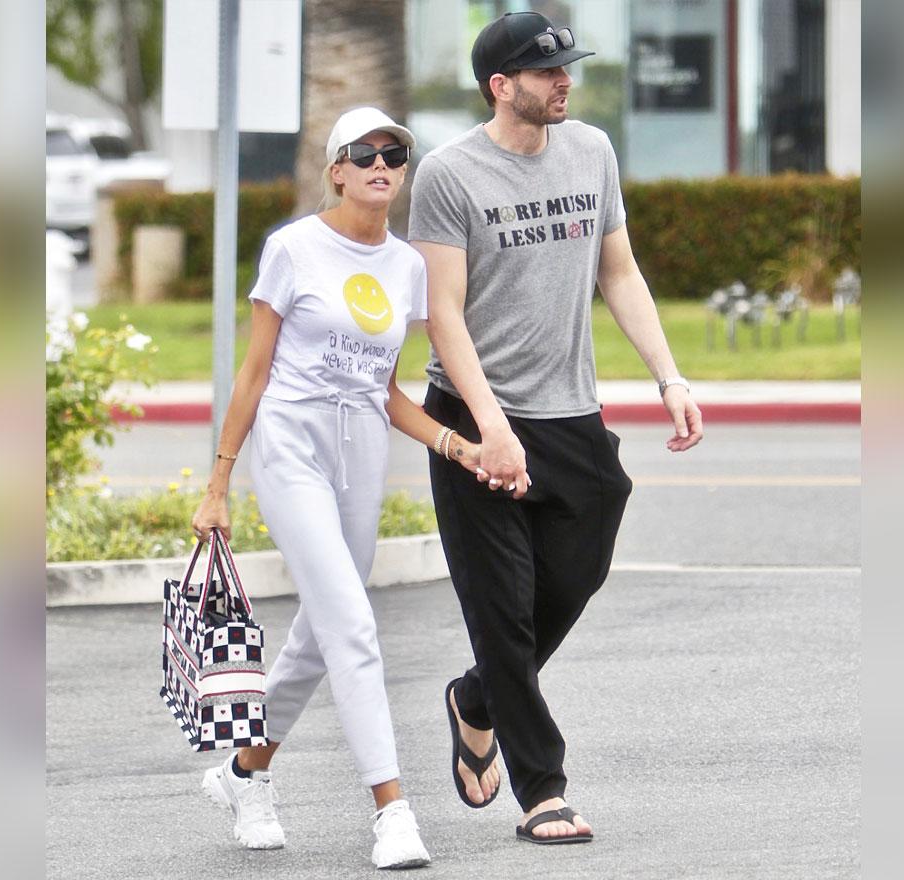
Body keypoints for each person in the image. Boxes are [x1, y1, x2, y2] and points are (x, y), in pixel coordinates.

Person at [407, 12, 705, 845]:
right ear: (501, 87)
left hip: (571, 413)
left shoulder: (592, 152)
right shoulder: (450, 173)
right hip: (474, 415)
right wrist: (491, 430)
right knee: (502, 609)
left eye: (567, 67)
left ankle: (477, 697)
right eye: (547, 74)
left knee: (576, 571)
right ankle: (543, 789)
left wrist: (669, 376)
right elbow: (444, 315)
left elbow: (619, 269)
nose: (564, 81)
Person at [190, 106, 482, 869]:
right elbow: (254, 373)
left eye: (396, 154)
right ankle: (393, 812)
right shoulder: (293, 249)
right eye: (365, 153)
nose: (383, 164)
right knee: (352, 626)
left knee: (321, 635)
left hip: (361, 453)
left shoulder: (407, 266)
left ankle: (245, 772)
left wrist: (455, 443)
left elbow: (385, 390)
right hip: (291, 445)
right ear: (337, 170)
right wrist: (218, 481)